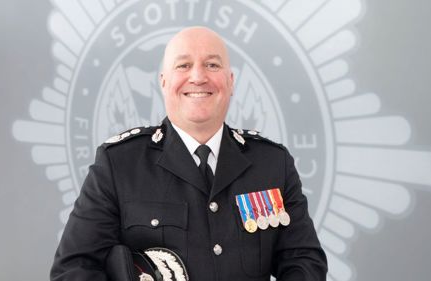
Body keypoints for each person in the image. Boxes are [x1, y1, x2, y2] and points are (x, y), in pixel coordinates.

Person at [51, 26, 327, 281]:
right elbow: (73, 269)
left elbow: (304, 261)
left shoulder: (272, 164)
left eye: (212, 65)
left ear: (230, 81)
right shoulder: (119, 164)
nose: (198, 76)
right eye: (183, 65)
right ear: (163, 81)